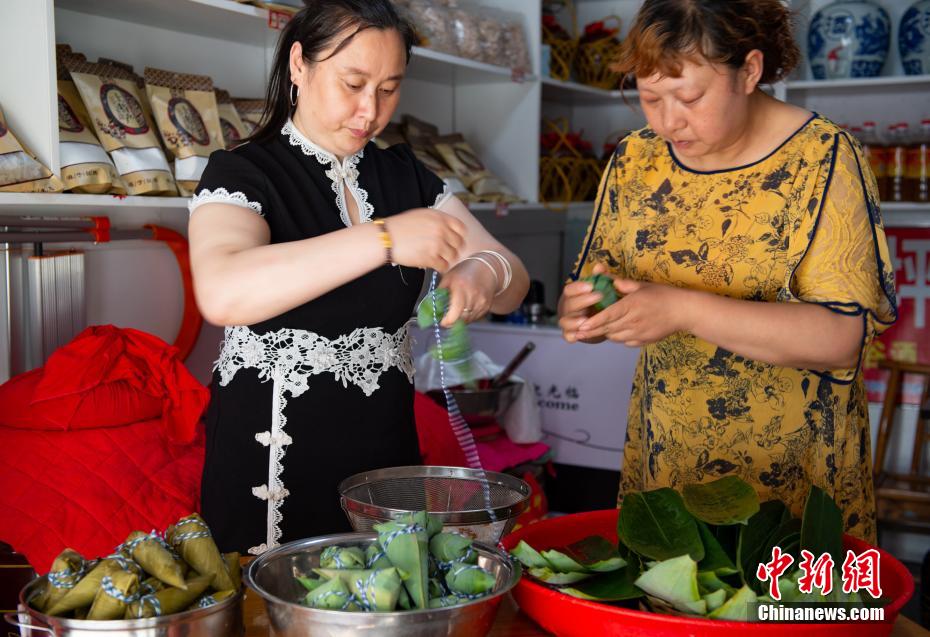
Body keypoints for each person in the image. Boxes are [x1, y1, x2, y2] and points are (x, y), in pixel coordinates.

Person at [188, 0, 528, 555]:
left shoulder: (403, 176)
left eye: (389, 88)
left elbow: (510, 271)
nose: (369, 110)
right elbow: (224, 290)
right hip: (274, 462)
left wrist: (478, 274)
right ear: (299, 65)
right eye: (353, 82)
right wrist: (386, 239)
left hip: (384, 457)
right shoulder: (245, 170)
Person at [558, 0, 896, 543]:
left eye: (690, 97)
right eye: (649, 98)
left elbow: (840, 339)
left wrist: (682, 309)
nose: (668, 120)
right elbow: (598, 283)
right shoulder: (636, 159)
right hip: (668, 469)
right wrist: (586, 313)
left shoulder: (824, 159)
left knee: (779, 621)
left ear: (751, 71)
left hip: (792, 478)